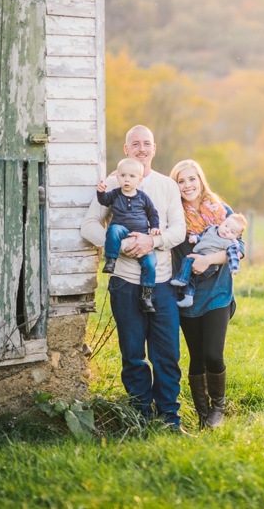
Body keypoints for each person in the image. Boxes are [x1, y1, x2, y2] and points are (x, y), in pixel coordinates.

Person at [81, 125, 187, 430]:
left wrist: (152, 242)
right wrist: (123, 246)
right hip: (125, 283)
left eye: (147, 144)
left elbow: (177, 230)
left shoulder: (167, 187)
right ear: (126, 150)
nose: (141, 149)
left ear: (154, 149)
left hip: (161, 283)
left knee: (167, 353)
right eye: (135, 144)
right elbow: (88, 226)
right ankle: (141, 416)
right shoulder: (114, 184)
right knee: (133, 353)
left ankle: (170, 418)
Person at [169, 159, 245, 429]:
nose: (188, 185)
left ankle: (217, 409)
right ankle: (203, 416)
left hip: (218, 293)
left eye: (192, 179)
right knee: (197, 356)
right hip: (187, 294)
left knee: (214, 354)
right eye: (181, 180)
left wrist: (209, 259)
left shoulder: (220, 210)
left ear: (201, 180)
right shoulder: (173, 214)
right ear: (175, 185)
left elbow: (241, 248)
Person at [96, 157, 161, 313]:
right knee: (113, 230)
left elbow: (153, 213)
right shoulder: (116, 194)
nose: (127, 180)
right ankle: (111, 260)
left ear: (139, 180)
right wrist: (100, 191)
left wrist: (155, 228)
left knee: (150, 263)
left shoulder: (143, 197)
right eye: (123, 175)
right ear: (117, 177)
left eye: (132, 176)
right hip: (123, 231)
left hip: (141, 234)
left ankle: (146, 296)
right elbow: (104, 201)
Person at [170, 213, 246, 308]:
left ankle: (181, 279)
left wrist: (234, 268)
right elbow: (203, 236)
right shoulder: (212, 229)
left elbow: (233, 255)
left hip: (211, 265)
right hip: (199, 254)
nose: (227, 230)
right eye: (226, 226)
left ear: (237, 237)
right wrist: (195, 238)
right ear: (222, 222)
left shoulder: (230, 243)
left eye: (232, 232)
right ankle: (188, 297)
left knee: (188, 260)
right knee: (191, 277)